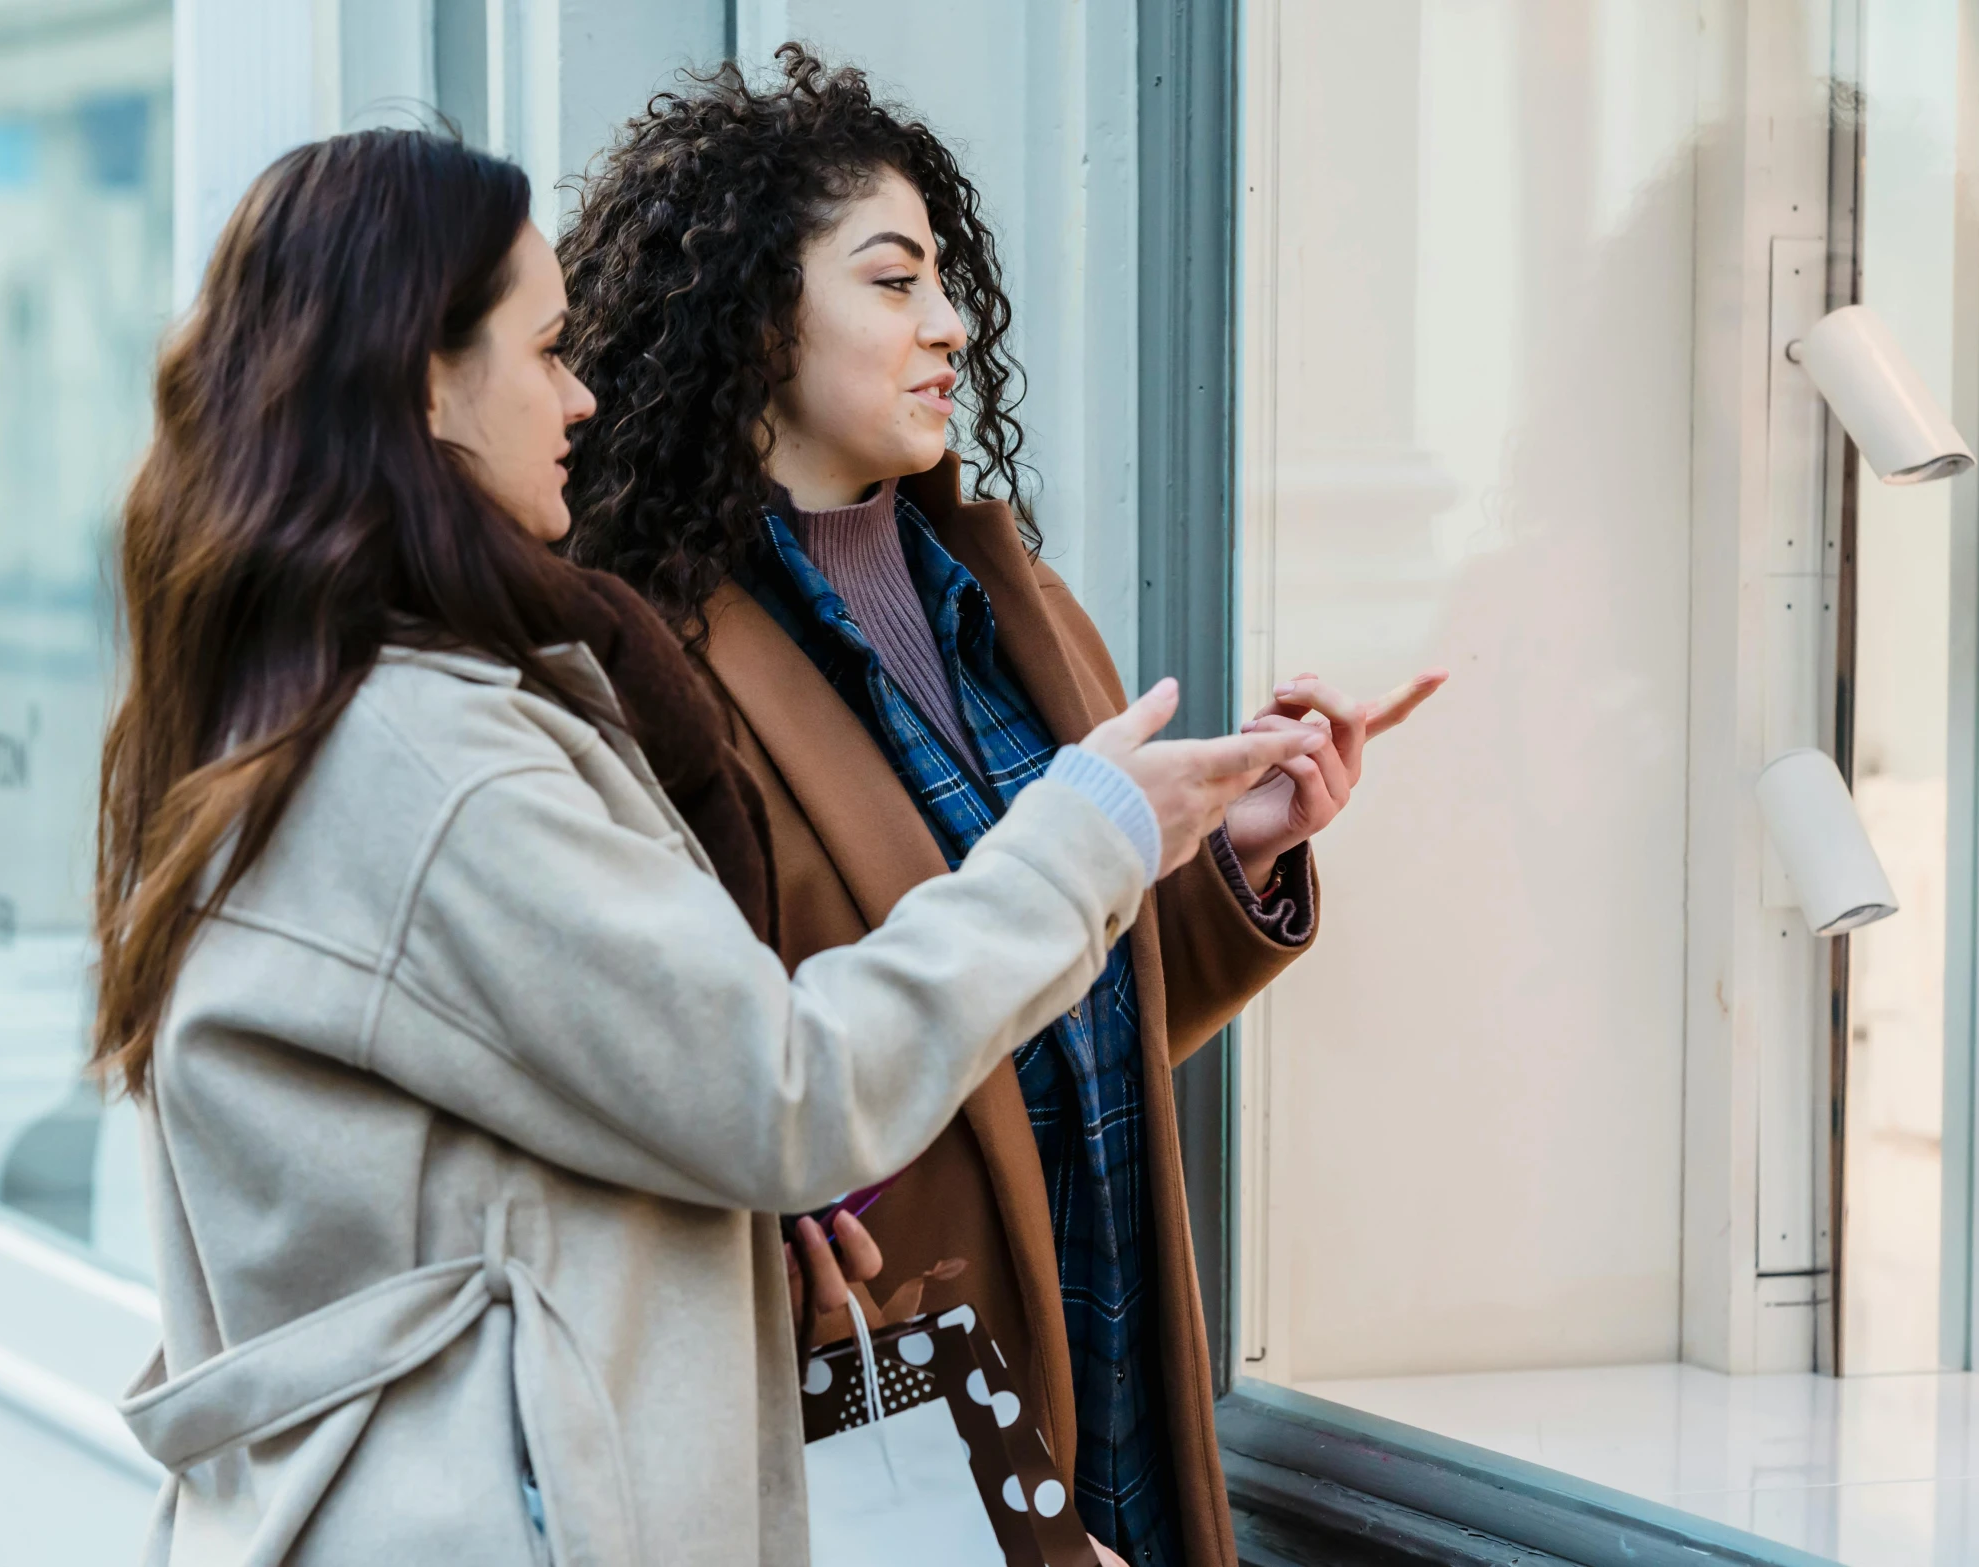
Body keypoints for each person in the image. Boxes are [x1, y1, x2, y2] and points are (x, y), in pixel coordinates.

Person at [92, 128, 1323, 1564]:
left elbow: (593, 1116)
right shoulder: (434, 760)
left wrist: (1207, 866)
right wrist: (1090, 833)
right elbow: (784, 1089)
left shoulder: (340, 707)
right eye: (547, 351)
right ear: (428, 375)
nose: (583, 391)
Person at [558, 50, 1445, 1567]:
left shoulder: (1011, 599)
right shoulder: (653, 663)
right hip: (890, 1412)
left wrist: (1233, 857)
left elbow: (1039, 1013)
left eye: (942, 280)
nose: (948, 323)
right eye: (893, 282)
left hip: (1112, 1368)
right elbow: (728, 1086)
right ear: (754, 321)